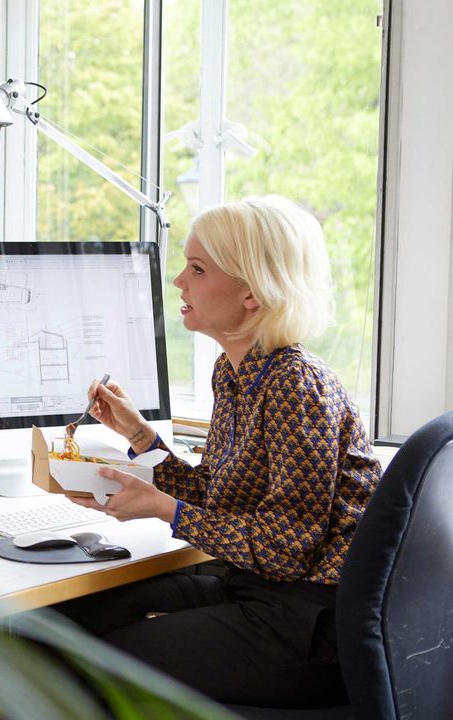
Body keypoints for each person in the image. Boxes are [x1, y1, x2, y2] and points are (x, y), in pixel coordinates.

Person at [61, 196, 380, 708]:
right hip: (255, 589)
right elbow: (218, 494)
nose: (179, 282)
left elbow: (286, 548)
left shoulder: (297, 385)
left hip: (308, 624)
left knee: (96, 663)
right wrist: (142, 437)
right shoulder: (236, 373)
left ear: (251, 293)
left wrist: (166, 510)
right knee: (71, 619)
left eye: (198, 269)